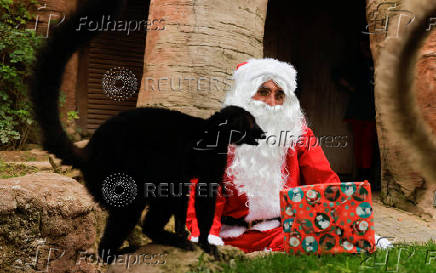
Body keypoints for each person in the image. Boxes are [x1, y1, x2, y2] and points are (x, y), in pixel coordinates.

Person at [185, 58, 390, 253]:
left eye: (279, 95)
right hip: (231, 236)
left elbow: (324, 182)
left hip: (283, 233)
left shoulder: (298, 135)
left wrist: (354, 228)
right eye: (263, 92)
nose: (272, 102)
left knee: (327, 243)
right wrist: (206, 237)